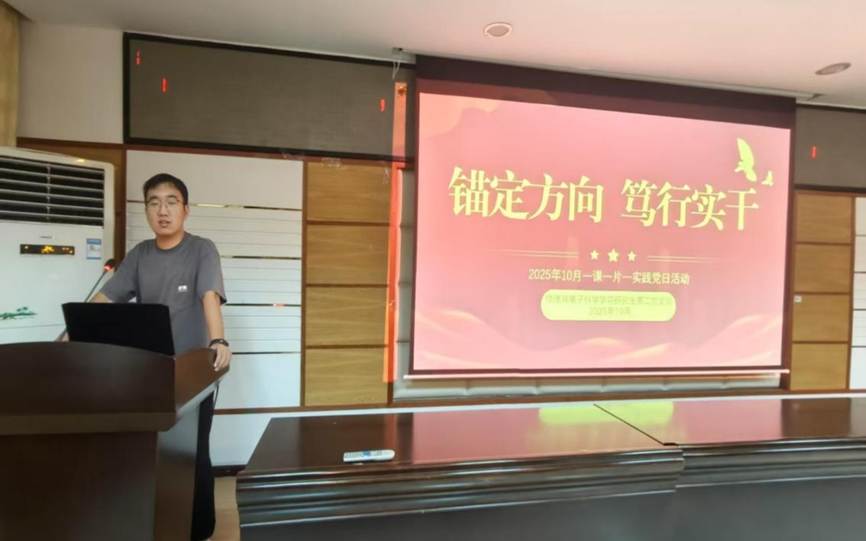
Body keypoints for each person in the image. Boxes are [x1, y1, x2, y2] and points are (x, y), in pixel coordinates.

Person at [93, 172, 231, 541]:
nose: (163, 210)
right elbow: (106, 298)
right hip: (148, 373)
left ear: (185, 209)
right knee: (150, 453)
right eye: (154, 203)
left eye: (171, 202)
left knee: (193, 452)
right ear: (147, 211)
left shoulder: (201, 249)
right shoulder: (140, 254)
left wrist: (218, 340)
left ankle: (199, 528)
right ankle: (158, 523)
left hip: (193, 371)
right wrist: (71, 333)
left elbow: (209, 296)